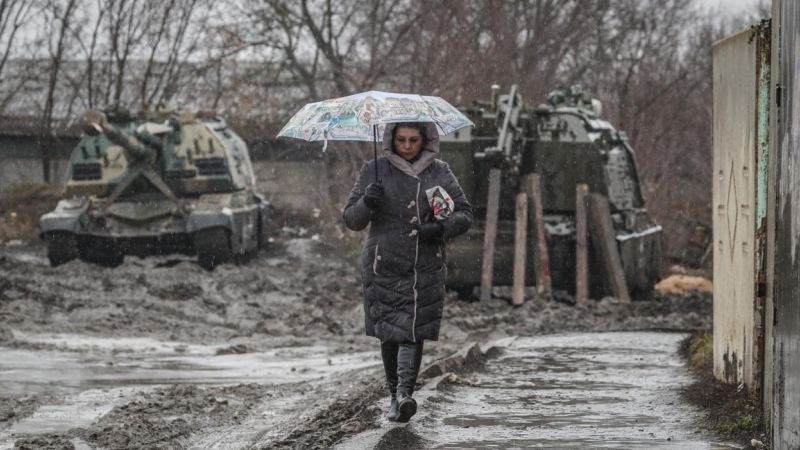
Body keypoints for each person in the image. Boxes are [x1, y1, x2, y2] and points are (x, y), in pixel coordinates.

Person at [343, 122, 473, 423]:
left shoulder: (439, 171)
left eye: (414, 139)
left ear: (425, 139)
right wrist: (367, 202)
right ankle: (395, 396)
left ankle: (404, 394)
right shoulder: (374, 169)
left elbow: (464, 214)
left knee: (413, 329)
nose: (407, 145)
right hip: (383, 263)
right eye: (401, 139)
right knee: (389, 333)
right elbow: (351, 219)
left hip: (424, 263)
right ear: (391, 139)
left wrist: (439, 227)